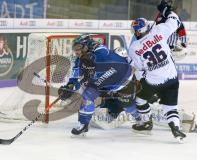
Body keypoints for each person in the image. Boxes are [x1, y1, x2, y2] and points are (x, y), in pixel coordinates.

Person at [128, 1, 186, 141]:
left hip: (153, 82)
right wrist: (166, 10)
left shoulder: (134, 47)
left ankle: (147, 123)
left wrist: (141, 83)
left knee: (140, 99)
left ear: (136, 31)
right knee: (170, 107)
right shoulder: (159, 31)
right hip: (172, 79)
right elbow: (175, 20)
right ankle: (176, 129)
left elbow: (139, 69)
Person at [58, 34, 134, 136]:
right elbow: (76, 73)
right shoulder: (80, 58)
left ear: (86, 46)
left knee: (127, 104)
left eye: (78, 48)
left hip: (121, 79)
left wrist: (90, 64)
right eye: (74, 49)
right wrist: (70, 86)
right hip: (105, 83)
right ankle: (83, 124)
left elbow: (103, 57)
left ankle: (140, 116)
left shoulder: (99, 49)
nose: (76, 51)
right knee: (86, 96)